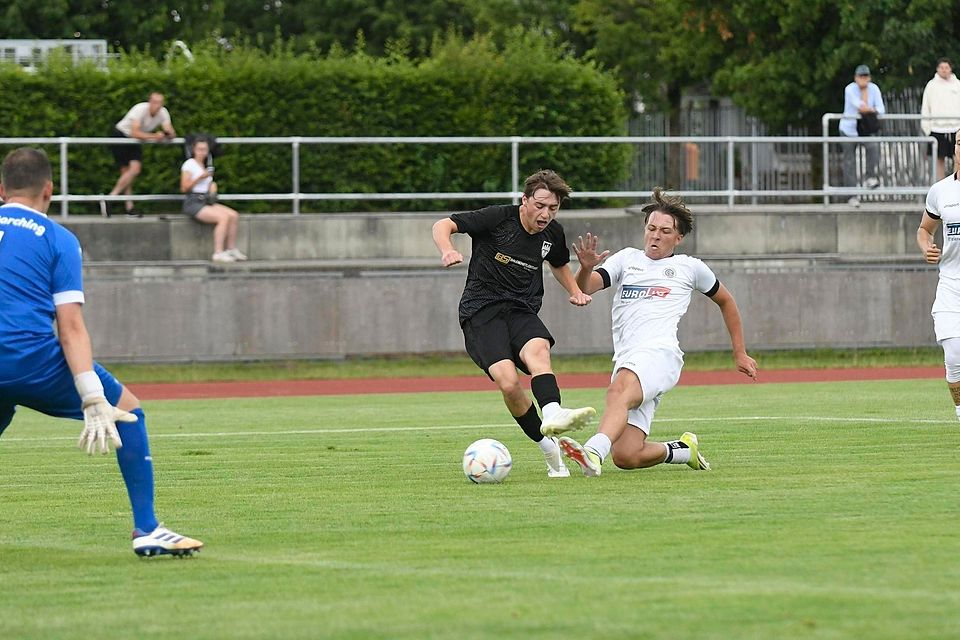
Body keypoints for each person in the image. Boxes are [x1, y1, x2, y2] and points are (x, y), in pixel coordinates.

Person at [0, 147, 202, 557]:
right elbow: (70, 326)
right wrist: (92, 394)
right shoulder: (57, 238)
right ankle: (147, 528)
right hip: (30, 359)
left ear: (2, 189)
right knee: (128, 411)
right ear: (49, 191)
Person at [544, 187, 758, 476]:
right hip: (627, 357)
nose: (655, 235)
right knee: (627, 455)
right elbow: (586, 288)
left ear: (678, 238)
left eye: (665, 231)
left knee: (618, 390)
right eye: (651, 228)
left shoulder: (690, 267)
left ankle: (593, 451)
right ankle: (682, 450)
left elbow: (727, 301)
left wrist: (740, 353)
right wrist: (585, 268)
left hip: (660, 354)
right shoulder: (626, 259)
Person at [432, 169, 597, 478]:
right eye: (540, 205)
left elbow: (559, 263)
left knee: (539, 352)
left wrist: (575, 290)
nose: (546, 214)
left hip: (521, 310)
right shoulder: (498, 219)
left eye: (553, 208)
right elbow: (444, 225)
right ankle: (549, 449)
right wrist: (448, 249)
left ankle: (553, 413)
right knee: (509, 383)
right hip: (482, 311)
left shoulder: (553, 233)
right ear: (525, 200)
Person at [917, 133, 960, 421]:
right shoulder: (940, 191)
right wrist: (926, 248)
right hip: (951, 285)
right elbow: (925, 229)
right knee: (954, 353)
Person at [105, 92, 177, 217]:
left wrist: (168, 134)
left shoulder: (163, 112)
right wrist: (155, 136)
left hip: (135, 140)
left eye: (160, 103)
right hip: (122, 135)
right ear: (149, 102)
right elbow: (135, 132)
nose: (157, 105)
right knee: (127, 172)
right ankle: (126, 205)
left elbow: (170, 130)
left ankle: (113, 198)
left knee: (133, 171)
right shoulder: (139, 109)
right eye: (155, 102)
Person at [180, 137, 247, 263]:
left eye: (205, 149)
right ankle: (218, 252)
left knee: (233, 215)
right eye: (199, 149)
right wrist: (200, 177)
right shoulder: (189, 164)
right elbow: (184, 187)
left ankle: (231, 248)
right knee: (223, 218)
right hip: (194, 202)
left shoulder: (205, 165)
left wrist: (212, 187)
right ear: (194, 150)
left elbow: (205, 185)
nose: (202, 152)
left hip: (205, 200)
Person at [839, 65, 886, 207]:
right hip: (848, 129)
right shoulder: (849, 89)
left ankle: (870, 177)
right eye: (860, 76)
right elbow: (859, 105)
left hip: (865, 129)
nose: (863, 79)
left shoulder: (874, 89)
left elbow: (881, 109)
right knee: (849, 162)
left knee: (873, 148)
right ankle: (852, 195)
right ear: (855, 78)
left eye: (866, 76)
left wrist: (870, 109)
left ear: (869, 77)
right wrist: (871, 109)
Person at [921, 58, 960, 181]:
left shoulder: (958, 84)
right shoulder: (931, 86)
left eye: (946, 67)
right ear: (937, 69)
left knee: (958, 158)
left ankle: (956, 184)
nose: (944, 70)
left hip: (956, 128)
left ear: (951, 69)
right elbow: (925, 107)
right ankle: (941, 184)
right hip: (937, 128)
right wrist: (927, 128)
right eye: (941, 68)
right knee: (939, 159)